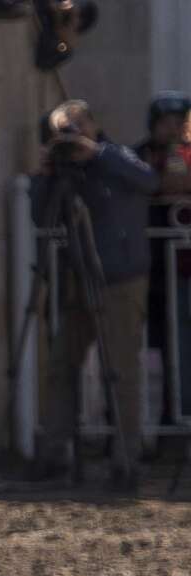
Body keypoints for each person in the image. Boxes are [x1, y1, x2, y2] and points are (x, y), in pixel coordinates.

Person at [30, 99, 158, 490]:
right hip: (78, 277)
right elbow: (41, 215)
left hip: (120, 278)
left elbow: (147, 181)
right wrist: (46, 173)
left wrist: (95, 154)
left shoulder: (116, 156)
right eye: (60, 131)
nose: (69, 136)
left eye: (74, 127)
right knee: (61, 364)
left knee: (120, 371)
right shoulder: (64, 172)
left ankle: (125, 462)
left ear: (92, 124)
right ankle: (53, 456)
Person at [138, 92, 191, 414]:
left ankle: (181, 414)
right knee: (156, 345)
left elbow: (176, 184)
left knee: (182, 344)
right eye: (167, 123)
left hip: (183, 268)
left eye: (179, 123)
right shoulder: (139, 155)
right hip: (150, 268)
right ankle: (160, 421)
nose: (173, 130)